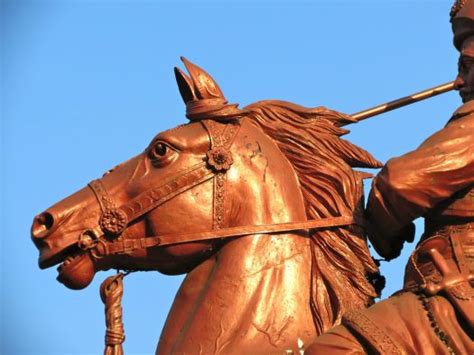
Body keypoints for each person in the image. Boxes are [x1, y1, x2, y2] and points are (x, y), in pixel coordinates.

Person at [306, 1, 473, 354]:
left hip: (462, 285)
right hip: (451, 284)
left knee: (333, 350)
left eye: (469, 66)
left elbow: (399, 184)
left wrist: (380, 231)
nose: (459, 81)